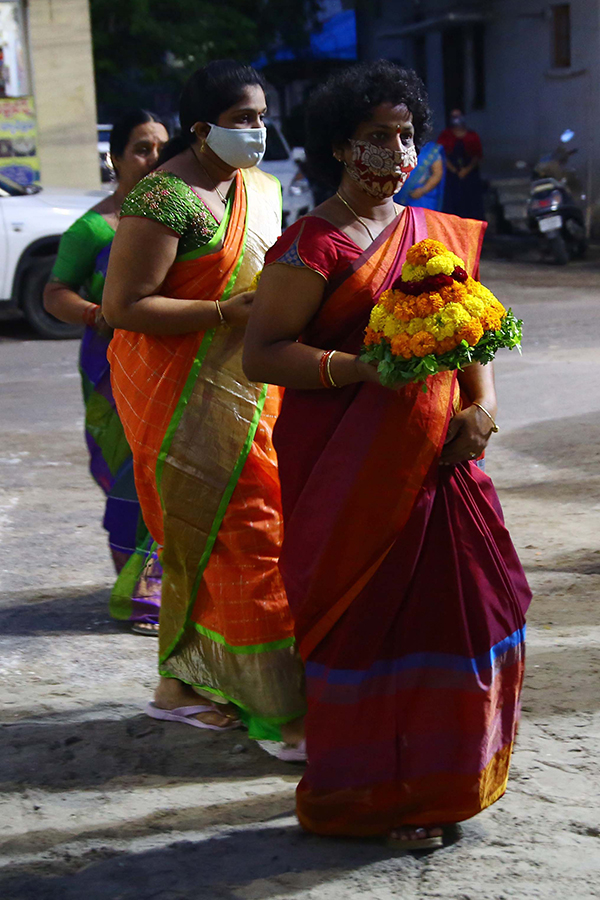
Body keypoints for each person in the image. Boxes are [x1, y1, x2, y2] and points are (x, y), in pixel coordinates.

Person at [243, 61, 531, 846]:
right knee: (372, 628)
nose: (398, 153)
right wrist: (359, 369)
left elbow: (472, 328)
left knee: (466, 613)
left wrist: (486, 406)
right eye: (378, 138)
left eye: (406, 136)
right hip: (349, 474)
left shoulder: (432, 232)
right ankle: (372, 799)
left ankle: (444, 782)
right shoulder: (315, 245)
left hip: (445, 464)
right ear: (339, 147)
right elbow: (262, 353)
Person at [102, 61, 305, 747]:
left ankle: (181, 684)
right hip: (176, 394)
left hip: (255, 390)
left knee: (218, 542)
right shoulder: (164, 199)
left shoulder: (263, 187)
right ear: (201, 127)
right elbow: (123, 306)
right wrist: (222, 311)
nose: (258, 130)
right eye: (243, 119)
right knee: (244, 539)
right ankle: (282, 712)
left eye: (261, 116)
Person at [44, 109, 169, 635]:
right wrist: (102, 313)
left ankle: (169, 588)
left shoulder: (180, 219)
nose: (154, 159)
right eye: (142, 148)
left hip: (169, 368)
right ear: (116, 159)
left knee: (170, 475)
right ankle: (142, 598)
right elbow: (55, 294)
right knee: (128, 479)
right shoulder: (94, 228)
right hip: (111, 371)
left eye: (163, 147)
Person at [437, 109, 485, 220]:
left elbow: (477, 156)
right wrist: (453, 169)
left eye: (458, 116)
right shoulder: (446, 135)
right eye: (453, 116)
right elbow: (440, 154)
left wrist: (466, 170)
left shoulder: (472, 135)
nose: (456, 119)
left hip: (470, 175)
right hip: (452, 176)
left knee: (472, 204)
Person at [395, 139, 445, 210]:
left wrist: (422, 190)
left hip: (421, 198)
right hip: (398, 195)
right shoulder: (398, 146)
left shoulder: (431, 149)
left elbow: (437, 174)